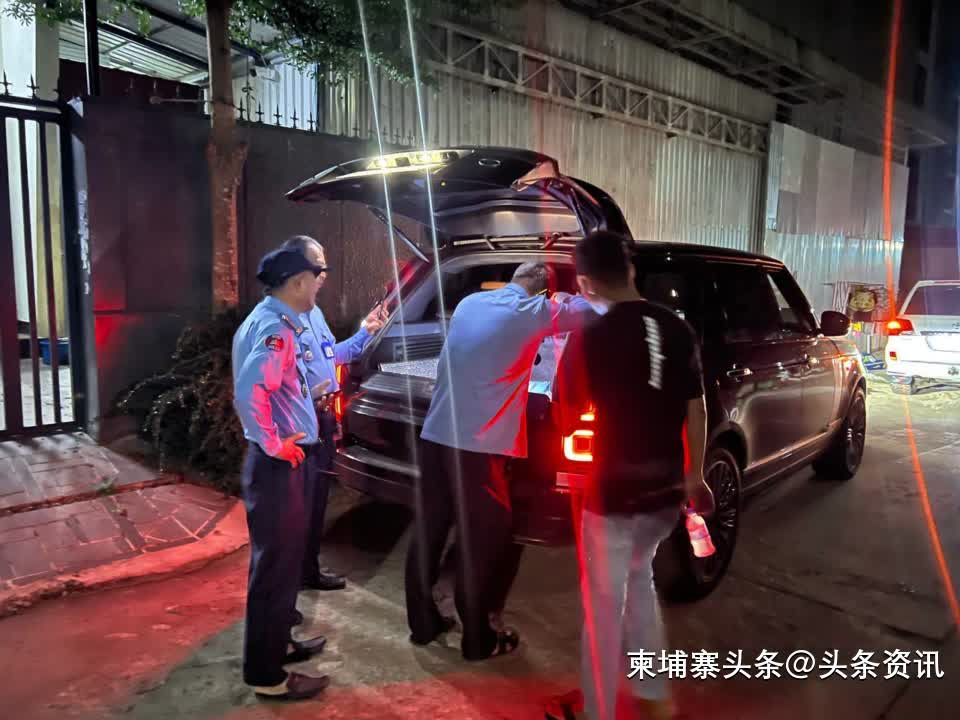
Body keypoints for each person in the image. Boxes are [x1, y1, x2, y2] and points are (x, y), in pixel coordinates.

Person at [547, 231, 715, 720]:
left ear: (585, 283)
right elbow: (696, 406)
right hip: (665, 494)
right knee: (639, 584)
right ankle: (654, 697)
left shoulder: (589, 337)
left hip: (614, 494)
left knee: (603, 606)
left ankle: (596, 710)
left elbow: (566, 412)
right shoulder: (677, 327)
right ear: (631, 271)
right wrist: (694, 475)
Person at [405, 262, 595, 660]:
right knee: (484, 539)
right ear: (541, 291)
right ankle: (479, 640)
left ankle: (422, 625)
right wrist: (567, 295)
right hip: (477, 447)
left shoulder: (470, 302)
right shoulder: (532, 312)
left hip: (436, 434)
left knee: (430, 530)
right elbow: (591, 311)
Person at [232, 247, 334, 701]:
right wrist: (273, 443)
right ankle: (267, 675)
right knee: (275, 569)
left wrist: (305, 396)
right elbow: (250, 390)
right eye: (316, 276)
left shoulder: (268, 320)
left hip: (277, 464)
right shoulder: (277, 329)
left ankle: (279, 645)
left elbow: (274, 388)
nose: (319, 285)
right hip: (276, 467)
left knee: (281, 564)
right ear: (297, 282)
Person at [281, 235, 388, 593]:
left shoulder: (313, 312)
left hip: (322, 421)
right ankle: (285, 589)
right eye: (318, 265)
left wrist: (364, 334)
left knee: (315, 504)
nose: (324, 272)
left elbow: (332, 356)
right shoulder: (279, 320)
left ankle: (307, 571)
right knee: (295, 509)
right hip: (298, 426)